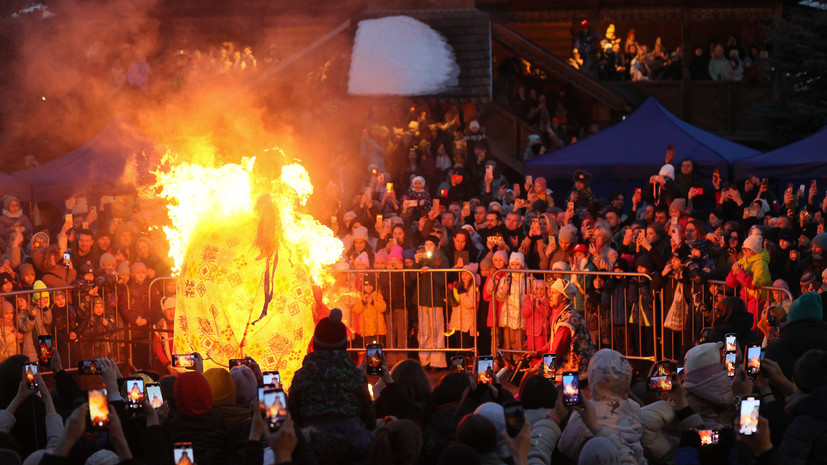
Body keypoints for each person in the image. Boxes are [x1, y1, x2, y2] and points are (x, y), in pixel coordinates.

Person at [289, 308, 375, 464]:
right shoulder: (354, 375)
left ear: (315, 343)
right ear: (344, 346)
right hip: (353, 442)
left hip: (311, 442)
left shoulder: (302, 376)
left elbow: (293, 412)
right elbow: (369, 416)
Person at [536, 279, 596, 373]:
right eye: (550, 292)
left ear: (564, 297)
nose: (549, 295)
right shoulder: (562, 314)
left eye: (554, 293)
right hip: (566, 367)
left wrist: (536, 368)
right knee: (546, 379)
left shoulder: (567, 320)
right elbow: (553, 344)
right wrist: (537, 353)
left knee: (544, 378)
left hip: (574, 372)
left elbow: (555, 352)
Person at [415, 235, 448, 370]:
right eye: (426, 244)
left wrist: (431, 271)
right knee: (423, 332)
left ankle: (437, 362)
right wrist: (416, 263)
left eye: (431, 245)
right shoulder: (420, 259)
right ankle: (425, 360)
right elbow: (411, 276)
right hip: (422, 299)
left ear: (436, 246)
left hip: (436, 300)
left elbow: (442, 281)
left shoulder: (443, 259)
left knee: (437, 331)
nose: (428, 247)